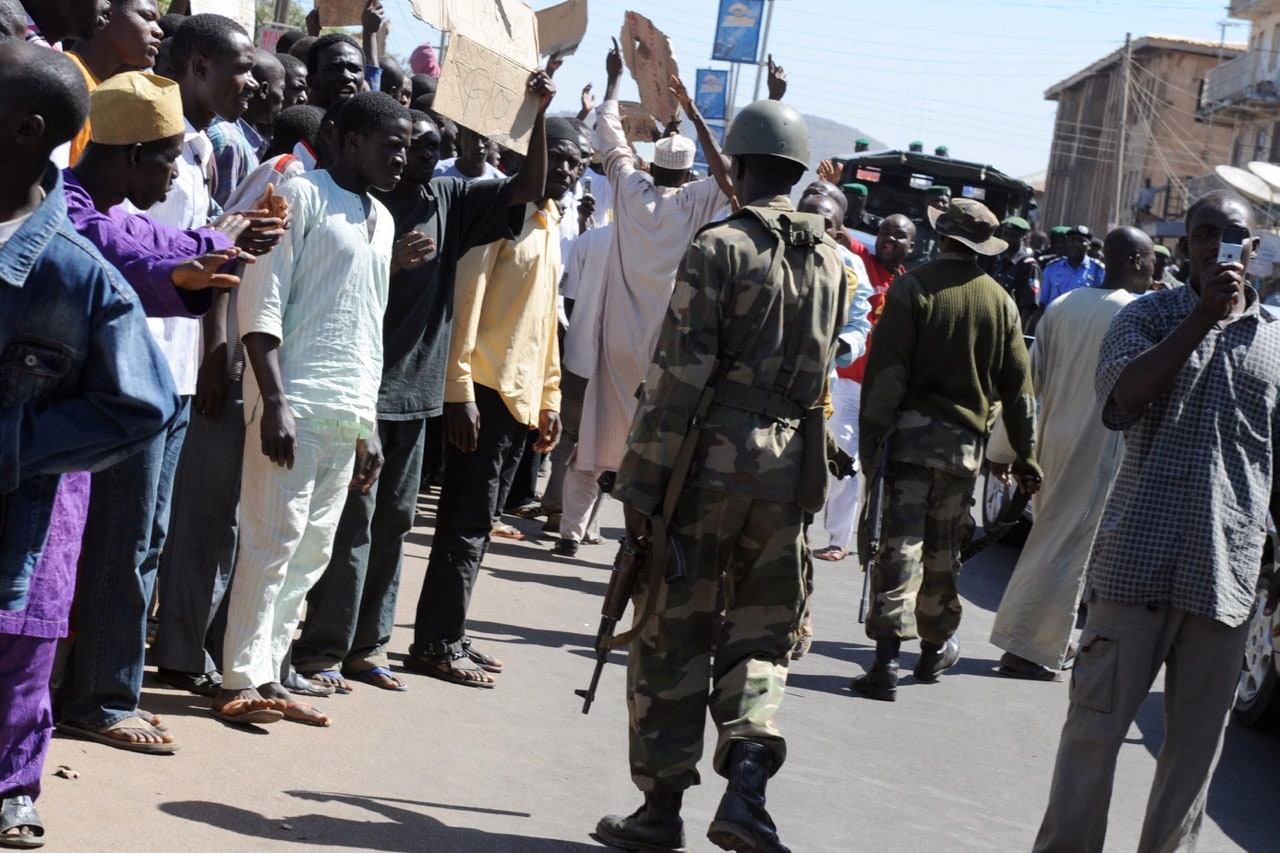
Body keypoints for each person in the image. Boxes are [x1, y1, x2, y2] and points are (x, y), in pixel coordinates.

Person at [594, 98, 845, 853]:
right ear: (799, 173)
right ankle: (746, 793)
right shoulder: (833, 260)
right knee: (762, 639)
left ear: (732, 164)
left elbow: (676, 380)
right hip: (786, 478)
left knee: (672, 636)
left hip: (704, 471)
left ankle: (660, 811)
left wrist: (638, 491)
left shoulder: (721, 247)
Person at [1032, 191, 1280, 850]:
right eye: (1203, 233)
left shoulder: (1277, 345)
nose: (1215, 245)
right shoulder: (1146, 318)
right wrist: (1201, 317)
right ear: (1182, 245)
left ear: (1253, 250)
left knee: (1191, 764)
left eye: (1232, 235)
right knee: (1091, 739)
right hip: (1132, 570)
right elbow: (1121, 398)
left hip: (1223, 586)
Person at [292, 77, 555, 693]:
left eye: (430, 145)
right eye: (407, 145)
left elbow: (529, 187)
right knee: (350, 527)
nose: (417, 157)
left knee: (394, 525)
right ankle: (323, 649)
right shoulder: (361, 200)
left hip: (415, 396)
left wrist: (538, 113)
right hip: (359, 388)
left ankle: (369, 647)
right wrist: (392, 262)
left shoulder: (450, 199)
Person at [0, 40, 178, 848]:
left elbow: (136, 402)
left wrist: (15, 444)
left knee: (19, 646)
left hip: (27, 502)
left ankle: (11, 787)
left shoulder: (76, 273)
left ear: (24, 129)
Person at [211, 91, 413, 729]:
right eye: (393, 144)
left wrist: (370, 423)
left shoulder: (380, 217)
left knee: (312, 553)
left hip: (347, 409)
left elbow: (369, 328)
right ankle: (240, 677)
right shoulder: (297, 195)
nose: (403, 156)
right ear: (352, 139)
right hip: (291, 400)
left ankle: (270, 671)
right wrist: (273, 401)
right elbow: (260, 303)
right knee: (272, 542)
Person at [404, 89, 566, 688]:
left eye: (576, 163)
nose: (567, 171)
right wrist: (460, 391)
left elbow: (546, 325)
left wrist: (550, 399)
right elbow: (465, 307)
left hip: (521, 401)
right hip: (485, 392)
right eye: (558, 159)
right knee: (464, 522)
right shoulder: (500, 221)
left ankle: (450, 634)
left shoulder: (548, 228)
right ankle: (436, 643)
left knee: (477, 525)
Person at [853, 198, 1041, 702]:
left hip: (908, 446)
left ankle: (886, 663)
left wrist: (871, 444)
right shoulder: (1001, 302)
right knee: (944, 553)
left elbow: (885, 377)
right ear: (983, 247)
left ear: (941, 237)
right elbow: (1019, 392)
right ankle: (934, 649)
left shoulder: (913, 288)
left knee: (899, 548)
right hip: (963, 454)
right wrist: (1026, 457)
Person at [563, 44, 734, 557]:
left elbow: (610, 136)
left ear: (654, 164)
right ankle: (645, 536)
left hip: (617, 335)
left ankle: (572, 530)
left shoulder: (631, 191)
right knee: (659, 436)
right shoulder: (697, 200)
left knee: (598, 424)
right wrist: (697, 118)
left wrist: (615, 82)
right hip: (668, 343)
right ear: (688, 172)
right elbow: (727, 174)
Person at [986, 226, 1153, 682]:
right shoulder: (1139, 314)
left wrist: (1003, 449)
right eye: (1152, 260)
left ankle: (1042, 642)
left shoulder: (1063, 306)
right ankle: (1026, 649)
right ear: (1137, 262)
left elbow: (1026, 384)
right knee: (1065, 549)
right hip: (1098, 444)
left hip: (1051, 441)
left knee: (1052, 542)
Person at [814, 213, 914, 563]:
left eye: (897, 236)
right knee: (846, 462)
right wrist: (833, 191)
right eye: (883, 232)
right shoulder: (862, 259)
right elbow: (833, 226)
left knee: (861, 467)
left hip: (877, 393)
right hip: (844, 384)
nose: (887, 239)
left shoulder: (904, 283)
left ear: (910, 246)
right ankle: (837, 539)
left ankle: (842, 538)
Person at [64, 0, 164, 165]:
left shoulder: (111, 95)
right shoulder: (64, 80)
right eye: (147, 17)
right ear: (106, 12)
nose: (159, 31)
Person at [1035, 224, 1103, 328]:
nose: (1076, 244)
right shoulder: (1052, 268)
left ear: (1089, 245)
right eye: (1073, 240)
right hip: (1053, 324)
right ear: (1067, 243)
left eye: (1081, 241)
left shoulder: (1098, 270)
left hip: (1082, 328)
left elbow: (1100, 304)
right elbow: (1042, 302)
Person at [981, 216, 1041, 330]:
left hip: (1009, 325)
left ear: (1024, 238)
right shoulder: (999, 260)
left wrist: (1017, 333)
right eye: (1005, 234)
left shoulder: (1029, 265)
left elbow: (1029, 306)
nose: (1008, 239)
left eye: (1013, 235)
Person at [906, 184, 950, 269]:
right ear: (925, 202)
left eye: (944, 202)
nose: (940, 205)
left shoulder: (951, 236)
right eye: (936, 200)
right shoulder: (910, 229)